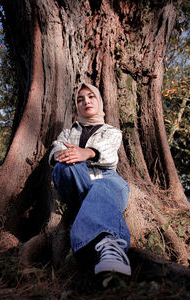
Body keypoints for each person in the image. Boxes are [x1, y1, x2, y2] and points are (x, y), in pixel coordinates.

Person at [49, 82, 131, 276]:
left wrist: (85, 152)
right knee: (64, 167)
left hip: (108, 179)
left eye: (91, 97)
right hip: (77, 178)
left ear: (99, 101)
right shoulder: (68, 132)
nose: (86, 101)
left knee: (101, 186)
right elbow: (57, 149)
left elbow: (109, 151)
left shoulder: (111, 131)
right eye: (80, 99)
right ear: (76, 106)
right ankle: (96, 214)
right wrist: (62, 155)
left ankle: (110, 250)